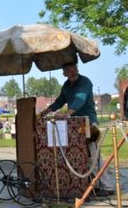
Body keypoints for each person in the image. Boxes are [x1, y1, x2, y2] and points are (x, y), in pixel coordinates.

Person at [40, 61, 113, 193]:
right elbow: (59, 102)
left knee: (93, 157)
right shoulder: (66, 85)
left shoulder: (85, 82)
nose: (73, 71)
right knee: (80, 157)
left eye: (74, 68)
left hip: (89, 124)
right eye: (69, 69)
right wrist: (43, 113)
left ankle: (106, 187)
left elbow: (80, 99)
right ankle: (92, 186)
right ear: (64, 74)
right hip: (75, 126)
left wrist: (67, 114)